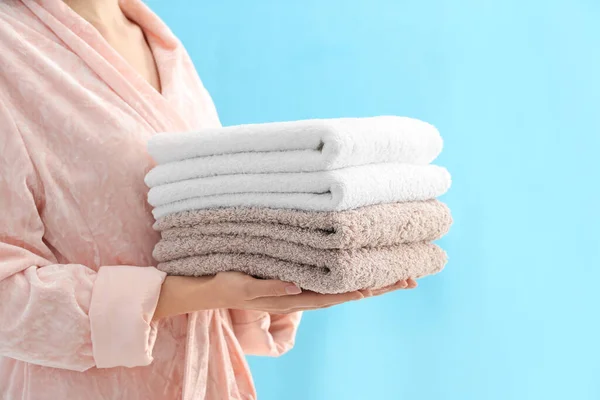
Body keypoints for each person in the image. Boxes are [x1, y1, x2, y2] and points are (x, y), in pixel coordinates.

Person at [0, 0, 417, 399]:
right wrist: (199, 294)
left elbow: (204, 219)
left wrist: (286, 270)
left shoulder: (157, 40)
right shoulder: (11, 52)